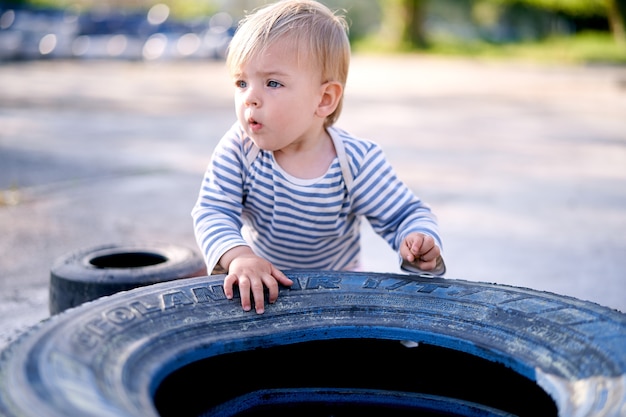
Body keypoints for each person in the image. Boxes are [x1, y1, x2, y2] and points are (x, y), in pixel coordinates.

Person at [192, 0, 445, 314]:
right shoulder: (241, 148)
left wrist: (419, 240)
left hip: (338, 291)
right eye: (242, 82)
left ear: (324, 99)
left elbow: (403, 213)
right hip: (267, 286)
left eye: (272, 83)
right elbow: (213, 210)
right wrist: (239, 256)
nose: (250, 98)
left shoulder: (354, 161)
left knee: (397, 334)